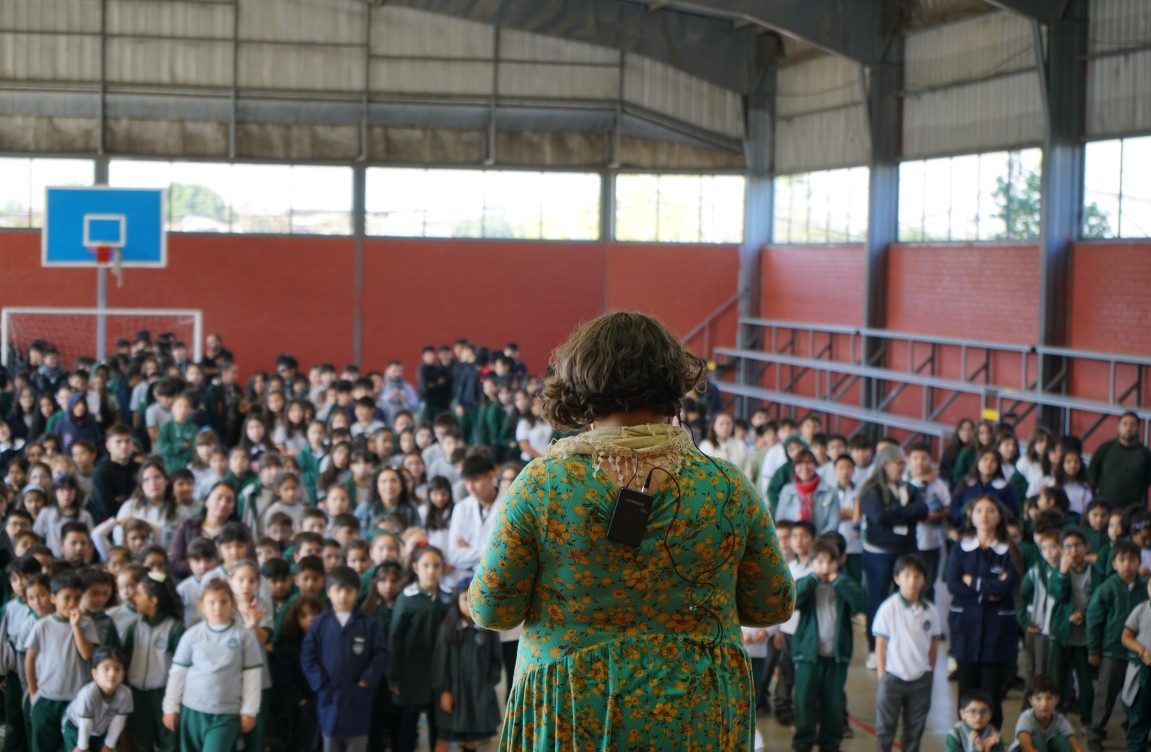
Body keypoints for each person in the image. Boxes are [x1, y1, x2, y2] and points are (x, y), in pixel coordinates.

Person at [468, 312, 795, 750]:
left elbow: (492, 610)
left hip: (573, 710)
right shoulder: (727, 486)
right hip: (696, 710)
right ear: (674, 383)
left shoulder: (543, 485)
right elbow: (773, 602)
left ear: (582, 384)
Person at [947, 496, 1022, 730]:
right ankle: (965, 739)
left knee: (992, 692)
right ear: (971, 516)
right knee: (966, 689)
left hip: (996, 631)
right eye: (979, 510)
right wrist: (989, 589)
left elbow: (1007, 585)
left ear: (999, 516)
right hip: (965, 627)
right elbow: (953, 583)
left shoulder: (1009, 550)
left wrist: (974, 582)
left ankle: (992, 740)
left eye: (990, 510)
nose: (984, 515)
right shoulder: (961, 548)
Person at [161, 579, 263, 752]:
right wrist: (170, 707)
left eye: (224, 602)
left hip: (226, 713)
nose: (218, 608)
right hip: (192, 711)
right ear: (202, 605)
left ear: (233, 604)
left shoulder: (244, 636)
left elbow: (252, 677)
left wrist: (249, 710)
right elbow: (177, 673)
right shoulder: (191, 635)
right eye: (212, 602)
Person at [301, 566, 389, 752]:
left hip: (357, 696)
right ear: (328, 592)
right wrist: (320, 683)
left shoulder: (367, 623)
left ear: (356, 593)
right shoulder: (320, 623)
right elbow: (308, 656)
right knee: (330, 741)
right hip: (329, 695)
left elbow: (381, 655)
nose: (343, 595)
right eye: (337, 590)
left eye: (348, 591)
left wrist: (367, 680)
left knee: (357, 743)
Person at [790, 538, 866, 752]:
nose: (824, 567)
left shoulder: (844, 584)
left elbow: (861, 602)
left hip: (836, 657)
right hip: (807, 657)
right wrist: (813, 579)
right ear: (811, 562)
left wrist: (839, 582)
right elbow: (792, 600)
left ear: (838, 562)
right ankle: (803, 744)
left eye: (829, 562)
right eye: (819, 562)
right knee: (804, 703)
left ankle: (830, 745)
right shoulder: (807, 583)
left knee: (833, 705)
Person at [860, 445, 928, 669]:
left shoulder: (909, 488)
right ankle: (874, 648)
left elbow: (923, 511)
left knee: (909, 598)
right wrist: (906, 513)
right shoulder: (871, 490)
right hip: (879, 555)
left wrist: (896, 512)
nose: (902, 467)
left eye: (903, 463)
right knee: (878, 600)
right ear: (884, 464)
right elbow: (878, 517)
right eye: (898, 463)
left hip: (906, 552)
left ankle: (903, 647)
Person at [24, 571, 100, 752]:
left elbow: (87, 654)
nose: (72, 603)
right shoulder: (42, 625)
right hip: (47, 698)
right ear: (53, 598)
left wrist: (75, 626)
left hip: (77, 699)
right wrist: (34, 692)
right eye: (66, 598)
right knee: (42, 745)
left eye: (77, 598)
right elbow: (29, 660)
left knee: (76, 746)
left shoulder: (86, 624)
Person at [874, 554, 942, 752]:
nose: (912, 581)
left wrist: (929, 670)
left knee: (915, 729)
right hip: (892, 677)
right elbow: (880, 645)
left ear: (924, 580)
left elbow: (934, 644)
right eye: (906, 576)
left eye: (917, 576)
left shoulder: (931, 611)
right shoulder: (888, 608)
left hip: (921, 680)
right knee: (885, 728)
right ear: (897, 578)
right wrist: (882, 676)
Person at [390, 545, 453, 752]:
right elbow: (395, 640)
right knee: (408, 721)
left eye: (436, 566)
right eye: (426, 565)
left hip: (440, 671)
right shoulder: (406, 599)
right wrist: (394, 676)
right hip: (411, 672)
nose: (431, 571)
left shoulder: (448, 597)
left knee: (439, 723)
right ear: (416, 567)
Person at [1085, 540, 1146, 752]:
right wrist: (1094, 649)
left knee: (1136, 696)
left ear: (1139, 562)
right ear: (1114, 563)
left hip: (1139, 654)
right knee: (1105, 696)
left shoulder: (1145, 588)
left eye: (1132, 559)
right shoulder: (1106, 588)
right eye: (1122, 559)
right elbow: (1094, 620)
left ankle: (1134, 731)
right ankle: (1095, 733)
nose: (1127, 564)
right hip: (1111, 651)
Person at [125, 575, 184, 752]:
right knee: (141, 740)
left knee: (169, 738)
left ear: (153, 600)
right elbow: (125, 659)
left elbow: (181, 668)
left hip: (163, 694)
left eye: (138, 594)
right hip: (137, 694)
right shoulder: (134, 627)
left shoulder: (174, 628)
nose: (133, 598)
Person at [1046, 528, 1101, 719]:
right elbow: (1059, 595)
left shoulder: (1097, 573)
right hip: (1062, 635)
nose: (1073, 550)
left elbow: (1099, 602)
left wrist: (1084, 614)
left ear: (1086, 546)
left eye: (1078, 545)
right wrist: (1062, 573)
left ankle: (1087, 721)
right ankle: (1057, 718)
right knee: (1057, 680)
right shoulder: (1058, 572)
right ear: (1062, 550)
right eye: (1068, 547)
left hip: (1085, 637)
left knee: (1086, 683)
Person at [61, 647, 134, 752]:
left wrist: (109, 745)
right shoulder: (88, 694)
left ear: (123, 674)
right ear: (95, 673)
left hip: (100, 728)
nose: (112, 673)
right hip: (76, 726)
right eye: (106, 668)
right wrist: (82, 747)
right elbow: (85, 724)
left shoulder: (125, 694)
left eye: (117, 669)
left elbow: (118, 721)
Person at [1088, 412, 1151, 510]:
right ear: (1118, 427)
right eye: (1125, 424)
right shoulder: (1105, 449)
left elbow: (1147, 481)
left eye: (1133, 424)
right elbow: (1092, 475)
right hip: (1105, 508)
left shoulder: (1145, 453)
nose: (1128, 428)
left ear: (1138, 428)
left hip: (1133, 510)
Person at [775, 449, 839, 535]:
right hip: (792, 541)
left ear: (815, 465)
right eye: (800, 463)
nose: (804, 467)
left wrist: (818, 540)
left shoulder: (830, 492)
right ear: (794, 467)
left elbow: (833, 524)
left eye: (809, 463)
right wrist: (794, 540)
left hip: (822, 541)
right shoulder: (786, 490)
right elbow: (780, 520)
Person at [1008, 675, 1079, 752]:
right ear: (1031, 700)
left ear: (1057, 699)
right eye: (1039, 699)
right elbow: (1027, 748)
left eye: (1049, 698)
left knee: (1061, 740)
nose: (1044, 704)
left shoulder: (1060, 720)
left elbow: (1076, 747)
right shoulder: (1026, 718)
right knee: (1038, 741)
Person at [1120, 576, 1151, 752]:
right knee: (1138, 718)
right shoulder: (1141, 610)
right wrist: (1142, 650)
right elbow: (1126, 637)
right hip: (1143, 673)